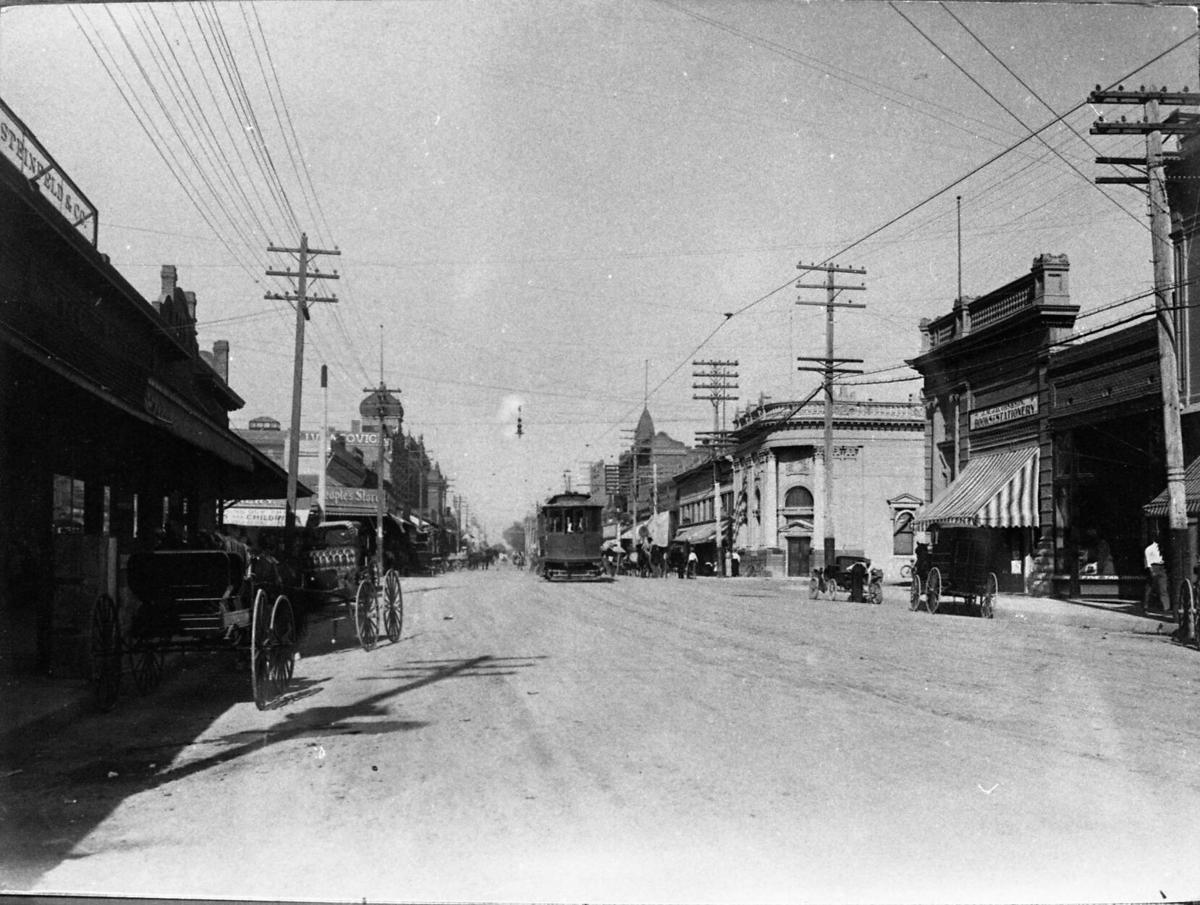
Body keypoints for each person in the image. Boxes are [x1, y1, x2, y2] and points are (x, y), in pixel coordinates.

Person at [1144, 535, 1169, 612]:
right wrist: (1151, 570)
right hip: (1153, 567)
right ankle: (1146, 605)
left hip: (1162, 567)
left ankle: (1166, 607)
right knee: (1150, 588)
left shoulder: (1163, 548)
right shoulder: (1149, 549)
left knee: (1163, 588)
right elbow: (1147, 561)